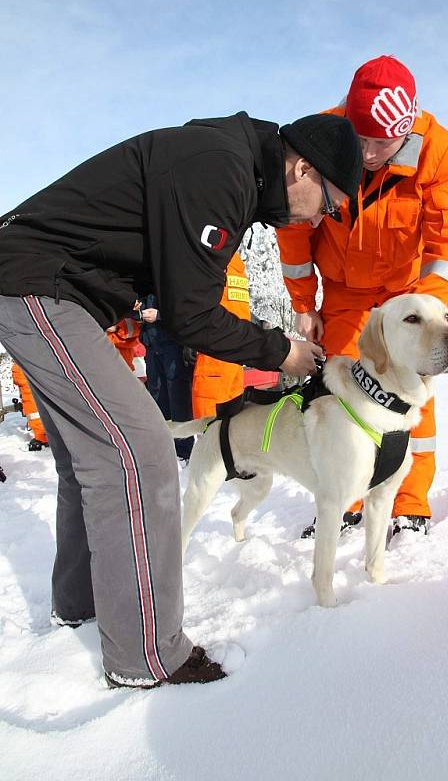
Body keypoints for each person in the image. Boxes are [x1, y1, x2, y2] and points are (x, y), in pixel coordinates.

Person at [0, 110, 363, 688]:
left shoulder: (234, 165)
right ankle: (146, 655)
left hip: (53, 289)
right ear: (302, 168)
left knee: (91, 461)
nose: (326, 216)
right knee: (141, 456)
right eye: (332, 201)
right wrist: (279, 353)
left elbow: (182, 289)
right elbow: (193, 314)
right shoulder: (222, 168)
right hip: (41, 284)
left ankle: (82, 607)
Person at [277, 56, 448, 539]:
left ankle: (407, 504)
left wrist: (423, 314)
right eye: (358, 138)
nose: (364, 153)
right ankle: (346, 498)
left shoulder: (438, 151)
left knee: (408, 393)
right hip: (344, 294)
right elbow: (296, 225)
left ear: (404, 130)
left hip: (406, 292)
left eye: (379, 143)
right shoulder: (323, 134)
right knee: (343, 394)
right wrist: (304, 304)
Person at [191, 252, 251, 418]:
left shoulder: (211, 261)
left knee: (207, 427)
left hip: (212, 359)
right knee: (228, 428)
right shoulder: (236, 266)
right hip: (235, 358)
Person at [138, 294, 195, 462]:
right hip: (152, 347)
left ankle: (183, 451)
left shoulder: (169, 276)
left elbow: (183, 308)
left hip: (173, 346)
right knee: (157, 398)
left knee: (178, 400)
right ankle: (165, 447)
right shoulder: (143, 280)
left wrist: (159, 315)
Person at [11, 362, 49, 450]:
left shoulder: (18, 365)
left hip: (28, 396)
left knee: (34, 416)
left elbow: (17, 379)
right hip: (35, 391)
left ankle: (42, 439)